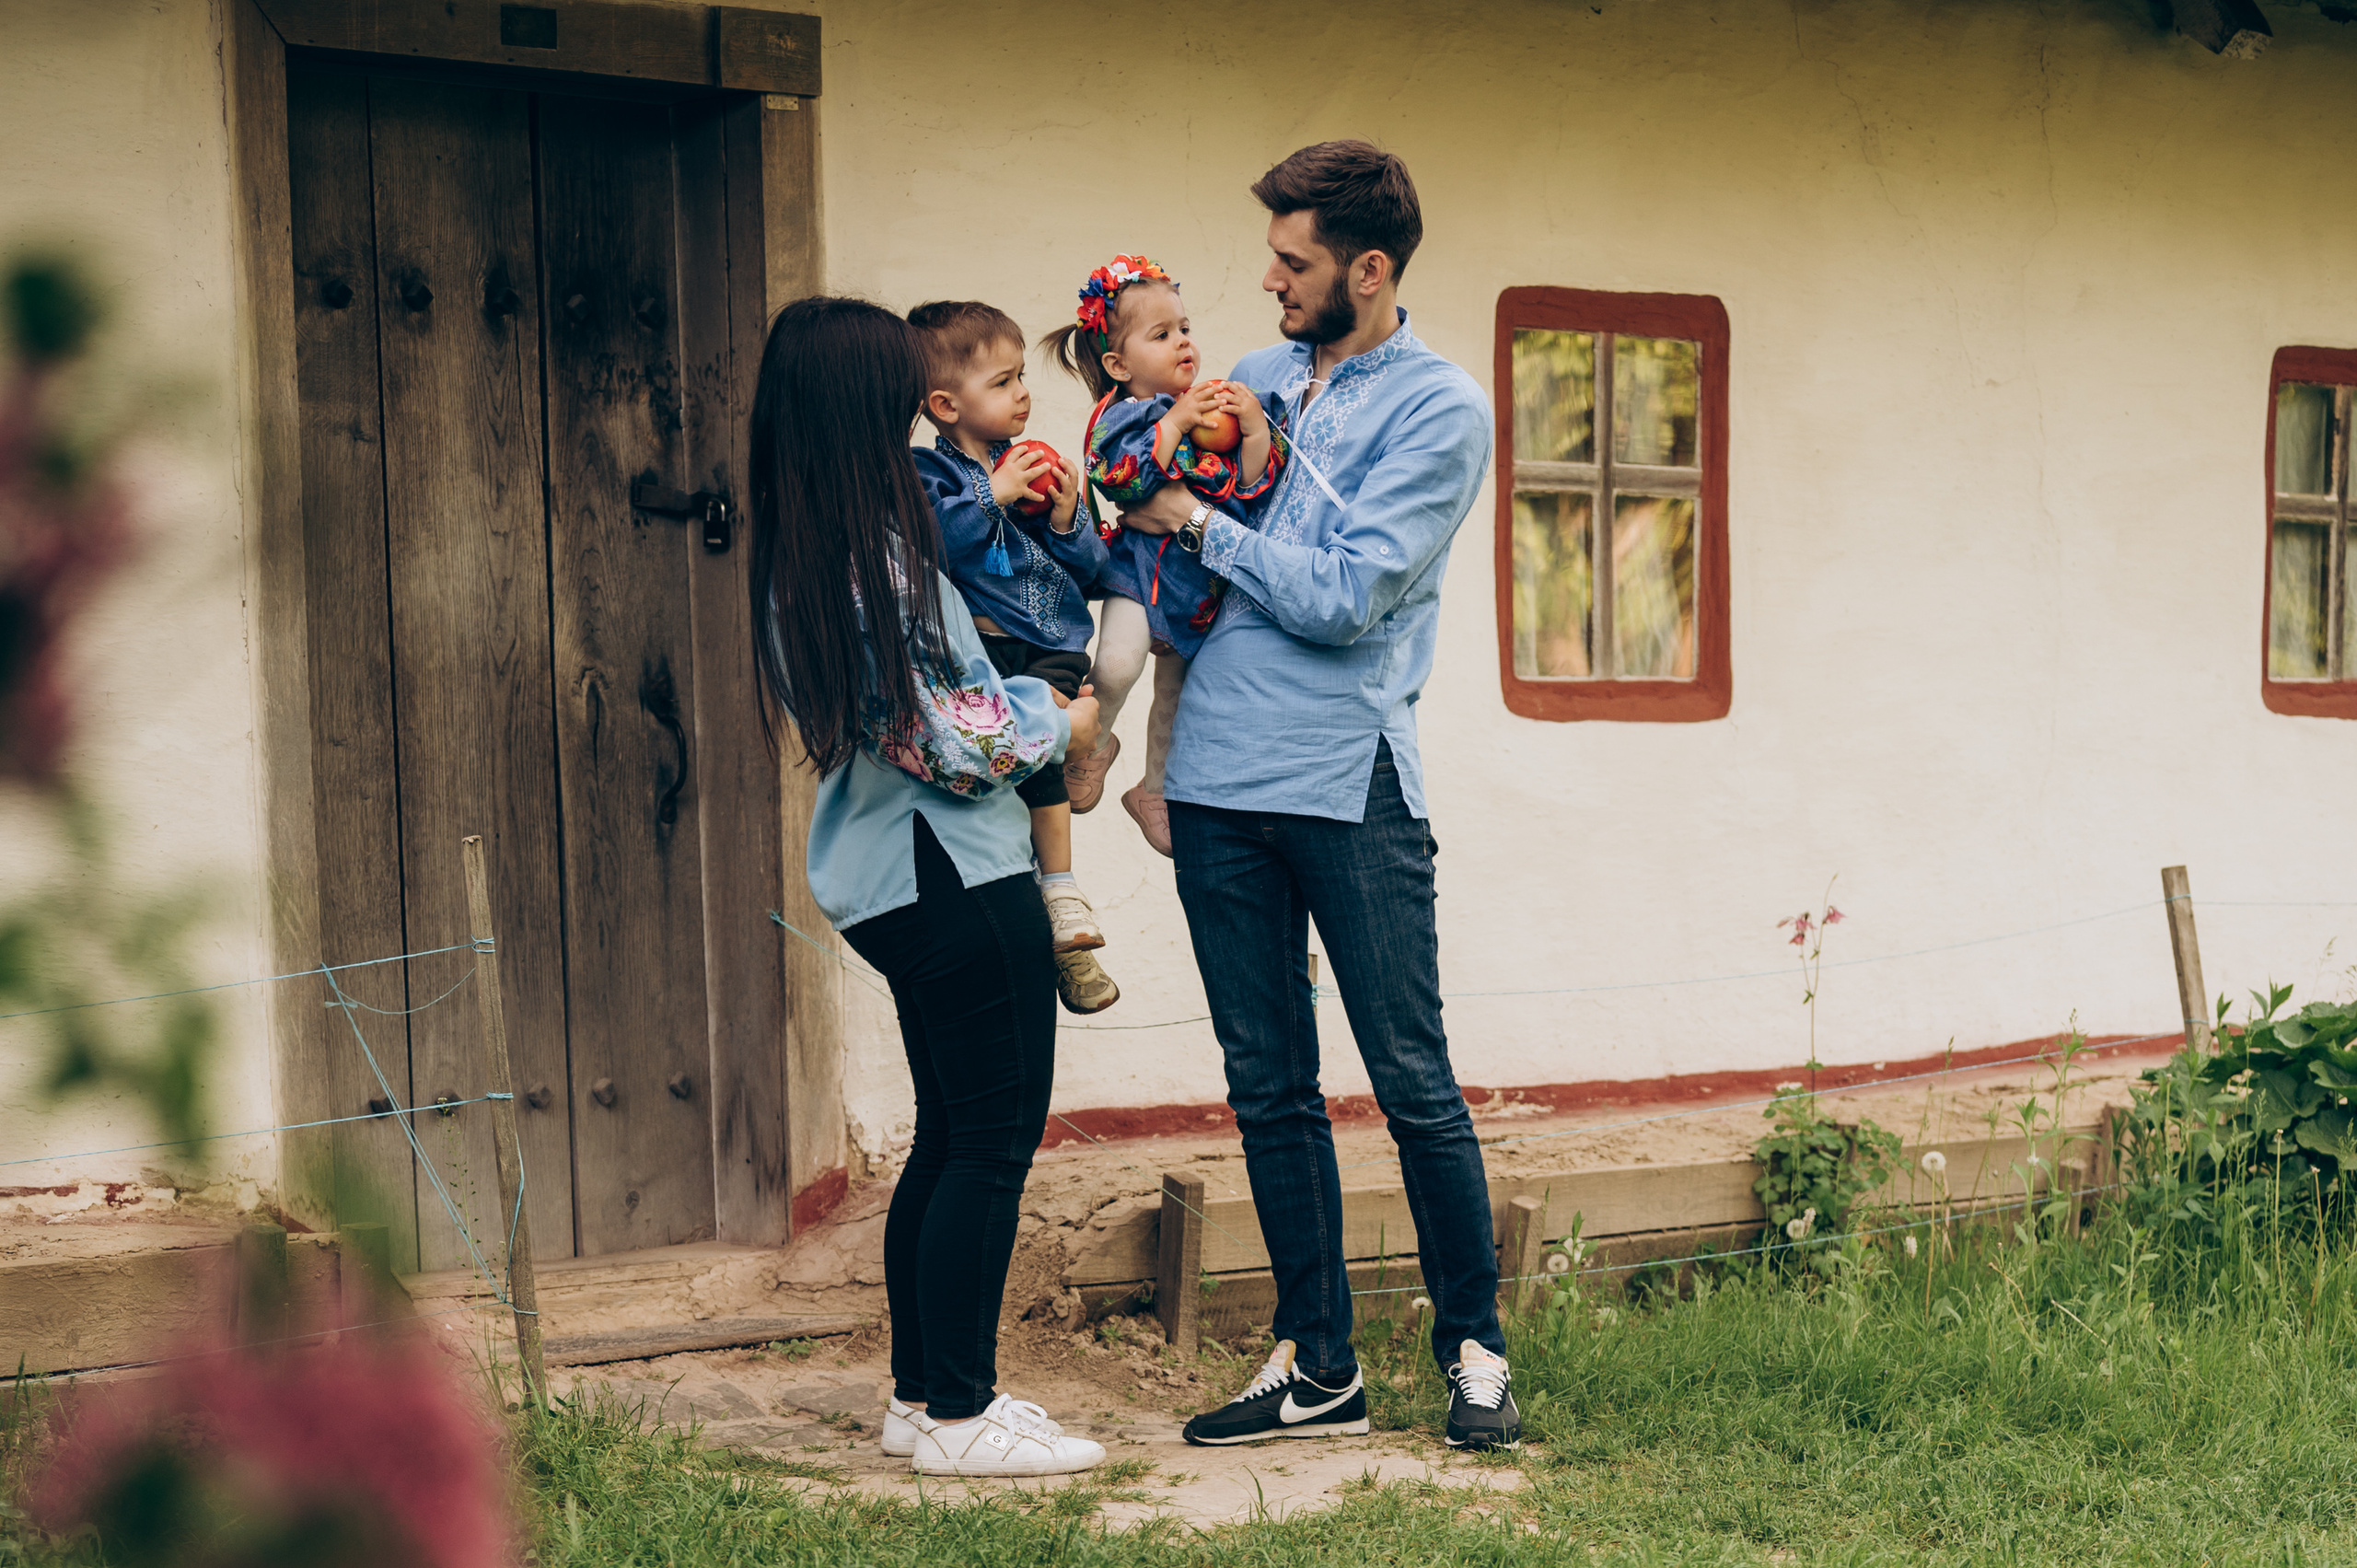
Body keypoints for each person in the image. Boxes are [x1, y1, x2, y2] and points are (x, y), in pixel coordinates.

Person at [1117, 143, 1522, 1451]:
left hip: (1348, 781)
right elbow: (1161, 548)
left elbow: (1348, 597)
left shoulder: (1442, 408)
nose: (1270, 281)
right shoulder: (1256, 373)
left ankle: (1475, 1352)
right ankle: (1319, 1366)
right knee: (1268, 1085)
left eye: (1294, 262)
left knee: (1411, 1078)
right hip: (1215, 783)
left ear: (1370, 268)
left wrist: (1194, 521)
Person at [746, 295, 1109, 1477]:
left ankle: (924, 1397)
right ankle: (959, 1413)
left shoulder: (819, 541)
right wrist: (1054, 717)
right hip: (951, 865)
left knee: (953, 1134)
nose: (916, 409)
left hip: (901, 871)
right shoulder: (869, 553)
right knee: (992, 1139)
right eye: (899, 392)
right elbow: (946, 736)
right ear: (860, 404)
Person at [906, 299, 1120, 1015]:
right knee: (1014, 767)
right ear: (945, 405)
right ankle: (1049, 918)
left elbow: (1092, 572)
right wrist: (990, 496)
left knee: (1041, 750)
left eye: (1021, 375)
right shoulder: (927, 476)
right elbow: (930, 545)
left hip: (1051, 646)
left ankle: (1061, 889)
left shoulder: (1035, 466)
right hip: (982, 655)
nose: (1023, 393)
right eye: (1003, 381)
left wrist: (1066, 516)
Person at [1039, 255, 1288, 854]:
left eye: (1184, 328)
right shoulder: (1121, 417)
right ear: (1118, 365)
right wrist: (1174, 421)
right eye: (1161, 334)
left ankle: (1154, 790)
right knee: (1118, 664)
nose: (1182, 342)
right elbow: (1120, 476)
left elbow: (1245, 493)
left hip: (1197, 591)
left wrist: (1254, 431)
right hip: (1137, 574)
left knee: (1175, 699)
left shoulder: (1210, 410)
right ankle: (1095, 742)